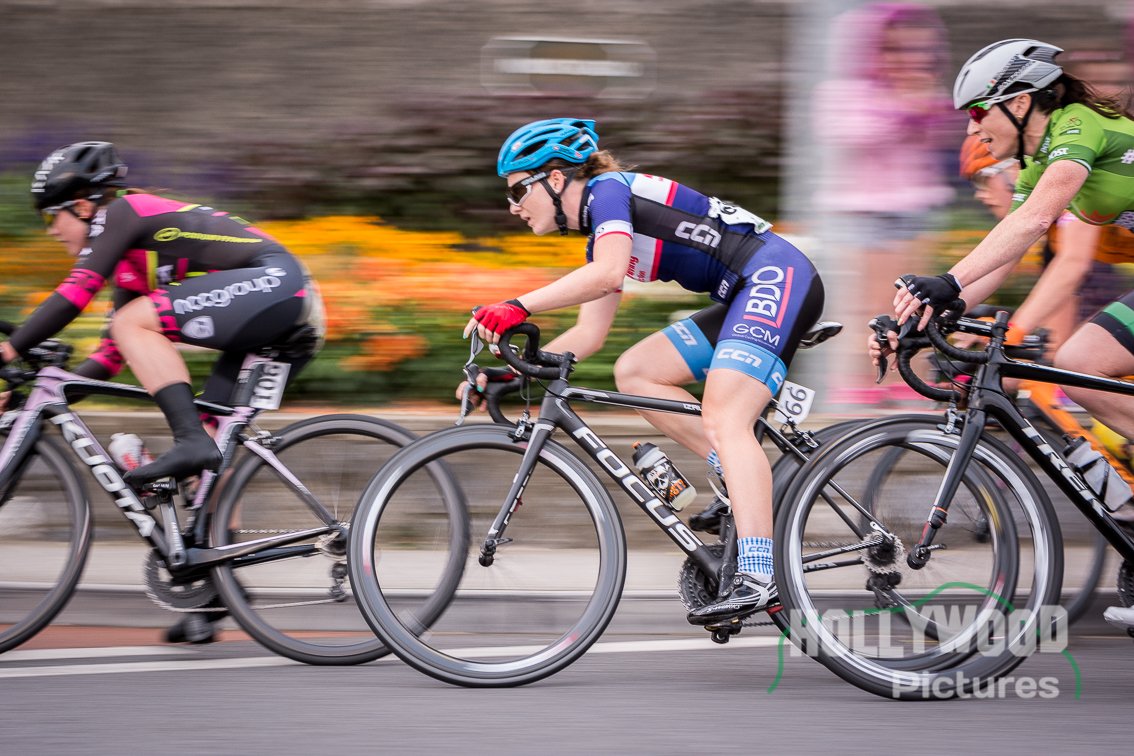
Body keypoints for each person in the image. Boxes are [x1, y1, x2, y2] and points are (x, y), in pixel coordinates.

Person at [465, 118, 825, 625]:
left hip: (775, 276)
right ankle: (733, 477)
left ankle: (758, 575)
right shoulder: (601, 236)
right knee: (634, 371)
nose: (512, 206)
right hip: (745, 292)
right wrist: (509, 373)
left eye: (518, 189)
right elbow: (588, 337)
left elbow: (608, 275)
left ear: (554, 177)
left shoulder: (609, 192)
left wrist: (515, 306)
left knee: (726, 416)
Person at [16, 141, 325, 641]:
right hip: (284, 312)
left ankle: (190, 441)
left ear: (83, 204)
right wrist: (47, 395)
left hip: (277, 287)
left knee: (141, 336)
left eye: (53, 217)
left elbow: (75, 293)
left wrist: (9, 353)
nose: (51, 230)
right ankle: (216, 591)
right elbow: (113, 354)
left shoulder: (123, 211)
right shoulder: (133, 260)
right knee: (212, 446)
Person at [875, 39, 1134, 629]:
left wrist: (944, 280)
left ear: (1018, 102)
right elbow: (1006, 256)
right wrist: (918, 314)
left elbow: (1038, 219)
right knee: (1081, 366)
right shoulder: (1038, 161)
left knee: (1078, 363)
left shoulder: (1077, 127)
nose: (974, 130)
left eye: (976, 113)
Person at [813, 2, 956, 407]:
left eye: (913, 50)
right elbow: (851, 134)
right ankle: (863, 386)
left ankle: (909, 383)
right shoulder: (845, 92)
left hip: (915, 207)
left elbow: (945, 134)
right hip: (867, 211)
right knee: (873, 305)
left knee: (920, 307)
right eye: (892, 50)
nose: (904, 59)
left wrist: (926, 112)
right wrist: (904, 112)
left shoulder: (922, 87)